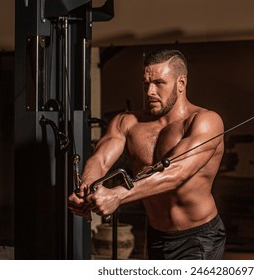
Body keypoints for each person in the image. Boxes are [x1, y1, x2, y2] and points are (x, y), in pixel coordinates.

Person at [68, 49, 226, 260]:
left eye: (159, 83)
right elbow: (101, 159)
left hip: (198, 237)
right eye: (146, 84)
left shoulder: (204, 121)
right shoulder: (127, 122)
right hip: (156, 235)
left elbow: (176, 173)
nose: (150, 91)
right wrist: (86, 189)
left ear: (181, 83)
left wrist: (118, 194)